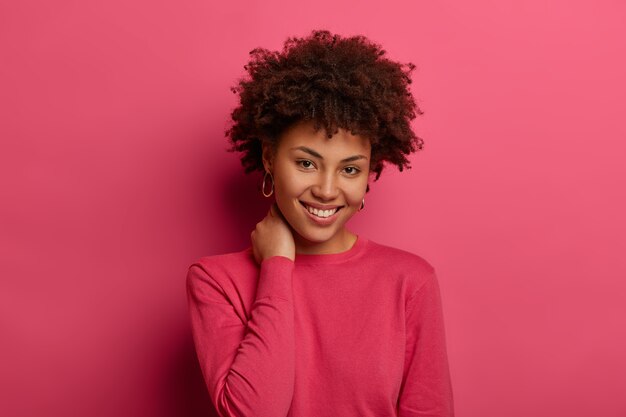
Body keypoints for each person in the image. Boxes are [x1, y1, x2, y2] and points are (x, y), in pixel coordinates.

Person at [186, 29, 454, 417]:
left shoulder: (410, 281)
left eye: (349, 169)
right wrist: (277, 266)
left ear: (368, 174)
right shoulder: (216, 280)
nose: (327, 190)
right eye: (306, 163)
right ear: (268, 158)